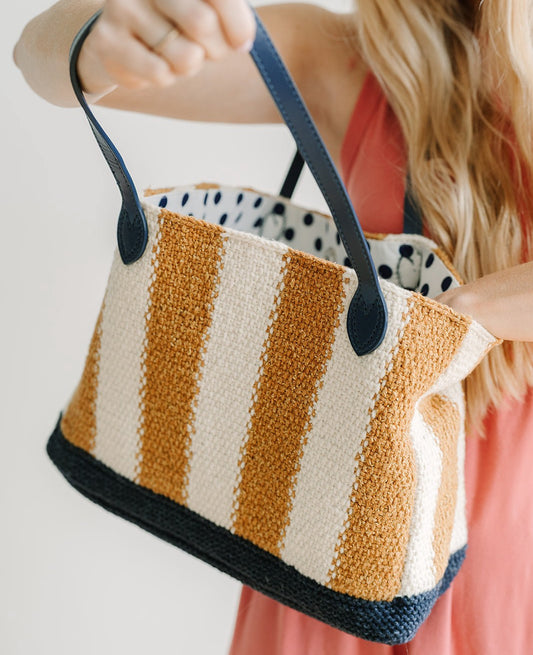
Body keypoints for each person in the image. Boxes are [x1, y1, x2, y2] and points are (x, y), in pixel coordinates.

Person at [14, 1, 533, 653]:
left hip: (505, 587)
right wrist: (99, 35)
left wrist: (471, 312)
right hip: (329, 560)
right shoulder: (358, 62)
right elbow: (39, 59)